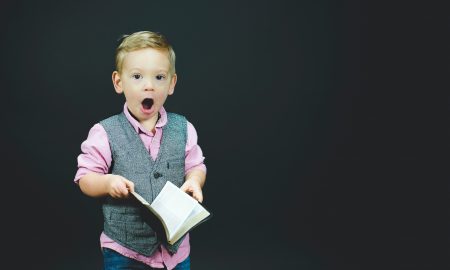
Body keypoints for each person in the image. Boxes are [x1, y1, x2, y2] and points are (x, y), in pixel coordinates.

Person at [74, 31, 207, 270]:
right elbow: (85, 178)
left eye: (159, 77)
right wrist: (107, 183)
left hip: (175, 251)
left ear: (172, 84)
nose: (149, 86)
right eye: (137, 76)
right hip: (125, 250)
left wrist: (195, 181)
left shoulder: (184, 128)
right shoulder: (105, 132)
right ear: (118, 82)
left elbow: (196, 165)